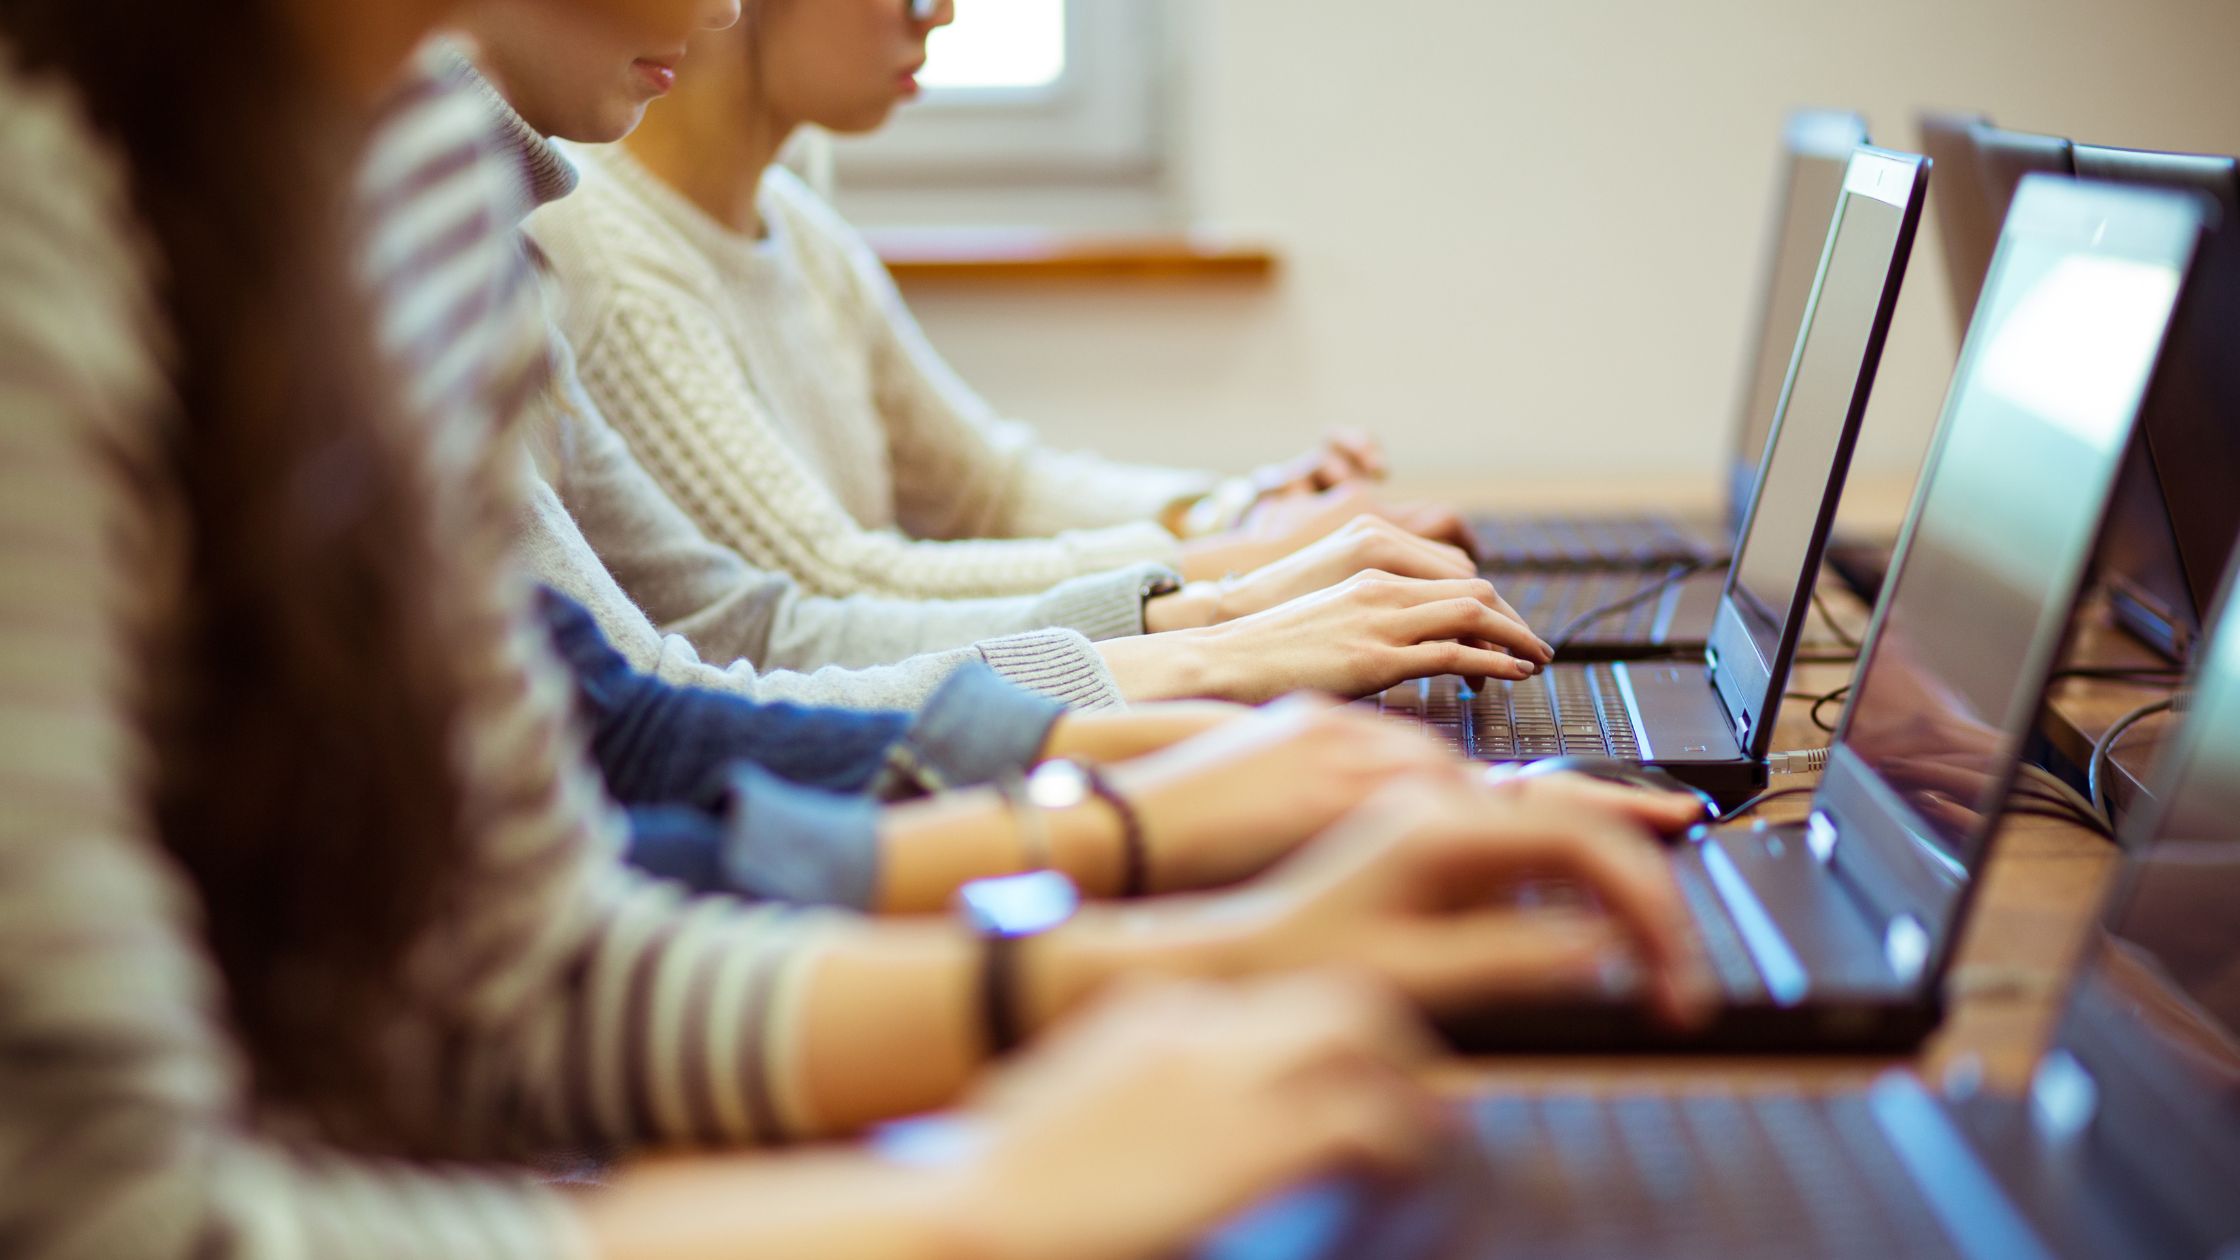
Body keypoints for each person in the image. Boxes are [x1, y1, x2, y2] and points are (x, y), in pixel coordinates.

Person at [0, 1, 1716, 1255]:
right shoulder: (48, 223)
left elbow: (526, 964)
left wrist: (1174, 947)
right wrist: (983, 1184)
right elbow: (108, 1215)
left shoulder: (428, 181)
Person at [454, 0, 1547, 715]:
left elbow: (985, 487)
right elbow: (809, 607)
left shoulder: (782, 225)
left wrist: (1232, 523)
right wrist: (1220, 591)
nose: (941, 12)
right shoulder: (587, 259)